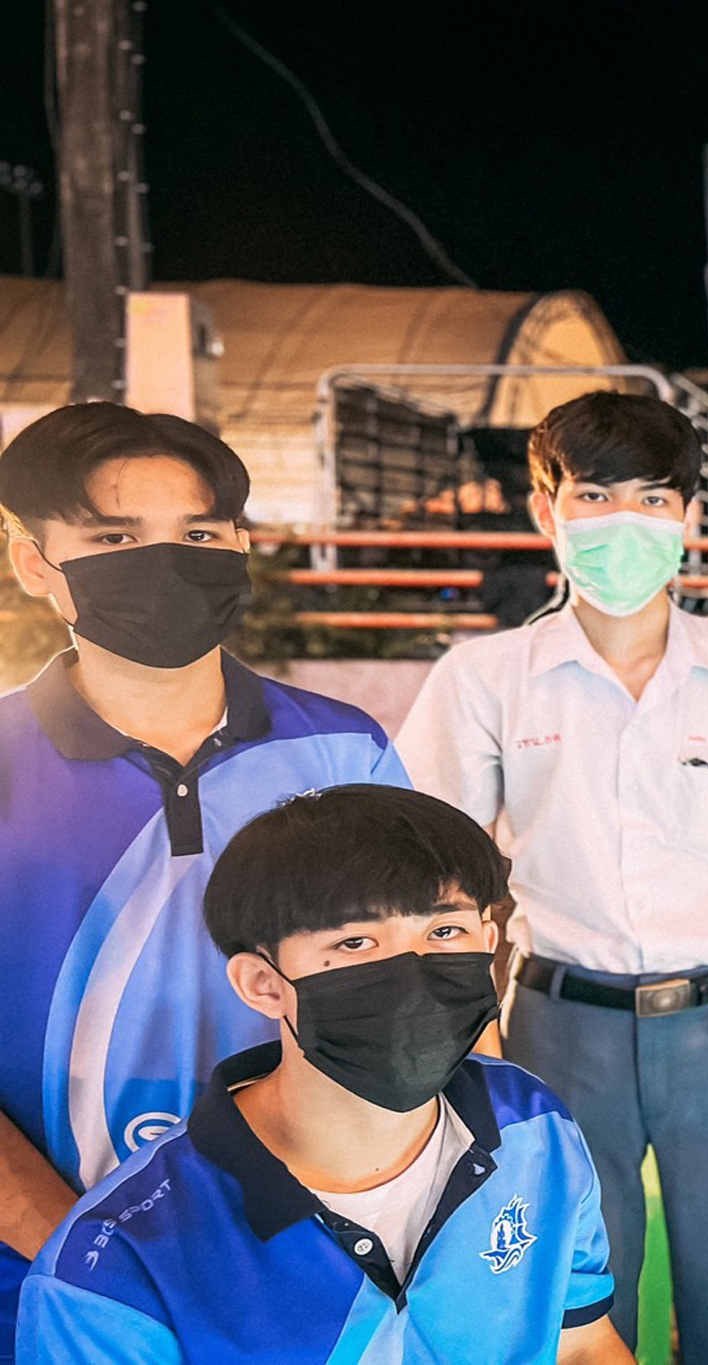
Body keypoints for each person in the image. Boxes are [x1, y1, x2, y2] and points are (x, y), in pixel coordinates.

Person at [397, 391, 708, 1362]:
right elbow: (444, 883)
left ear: (687, 515)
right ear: (544, 511)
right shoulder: (486, 677)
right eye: (595, 494)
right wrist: (465, 1045)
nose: (625, 523)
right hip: (560, 1029)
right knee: (576, 1302)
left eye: (652, 497)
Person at [0, 402, 409, 1360]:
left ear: (241, 547)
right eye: (115, 536)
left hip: (315, 1259)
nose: (166, 560)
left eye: (198, 532)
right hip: (48, 1275)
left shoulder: (349, 749)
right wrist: (75, 1247)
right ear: (32, 563)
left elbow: (421, 1000)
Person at [15, 785, 630, 1362]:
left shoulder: (534, 1124)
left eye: (445, 931)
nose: (411, 970)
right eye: (356, 944)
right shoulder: (119, 1263)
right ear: (262, 984)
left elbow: (580, 1344)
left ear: (489, 941)